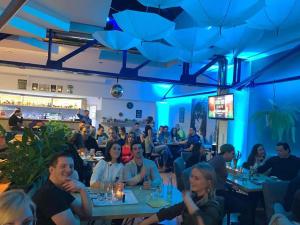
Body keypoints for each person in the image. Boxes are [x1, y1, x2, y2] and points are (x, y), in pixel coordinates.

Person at [139, 163, 223, 225]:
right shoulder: (194, 197)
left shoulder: (214, 204)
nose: (191, 180)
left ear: (208, 183)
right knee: (148, 221)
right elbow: (170, 212)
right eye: (191, 176)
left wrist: (189, 202)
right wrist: (144, 223)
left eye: (196, 178)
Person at [33, 152, 92, 225]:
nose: (68, 170)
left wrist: (83, 189)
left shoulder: (60, 188)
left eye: (71, 166)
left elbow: (86, 215)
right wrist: (75, 218)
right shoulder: (49, 193)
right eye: (63, 166)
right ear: (51, 170)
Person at [209, 144, 254, 225]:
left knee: (248, 199)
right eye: (232, 154)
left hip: (219, 192)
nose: (233, 156)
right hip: (219, 194)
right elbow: (206, 170)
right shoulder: (219, 160)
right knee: (247, 204)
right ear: (226, 153)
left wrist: (229, 185)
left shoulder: (218, 159)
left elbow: (219, 179)